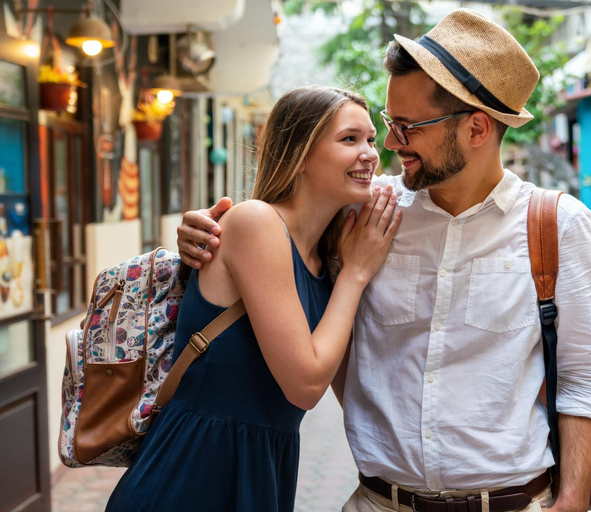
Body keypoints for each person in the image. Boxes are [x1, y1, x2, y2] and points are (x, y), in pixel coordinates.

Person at [177, 9, 591, 512]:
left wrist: (572, 502)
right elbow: (277, 234)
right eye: (389, 124)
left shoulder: (558, 225)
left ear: (477, 129)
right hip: (378, 502)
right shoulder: (366, 209)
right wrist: (200, 233)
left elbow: (588, 378)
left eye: (407, 127)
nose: (389, 144)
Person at [106, 86, 401, 512]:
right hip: (192, 472)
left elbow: (348, 382)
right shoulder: (256, 222)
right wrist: (355, 274)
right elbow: (306, 385)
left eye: (371, 139)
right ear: (299, 154)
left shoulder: (324, 252)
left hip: (262, 468)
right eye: (349, 139)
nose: (371, 153)